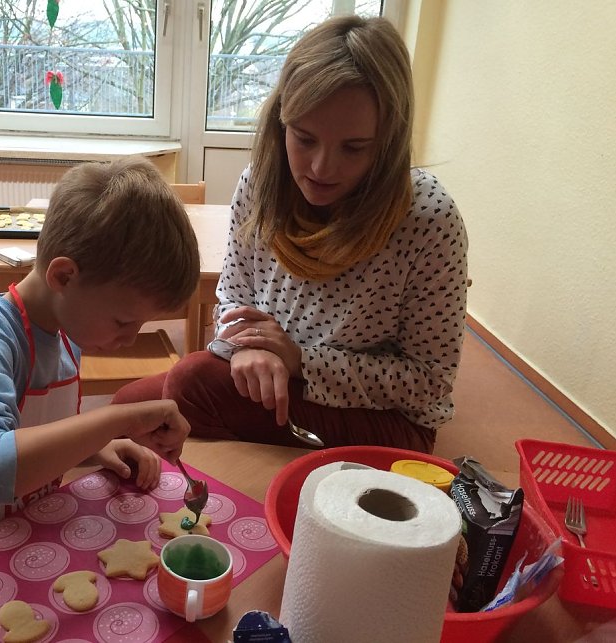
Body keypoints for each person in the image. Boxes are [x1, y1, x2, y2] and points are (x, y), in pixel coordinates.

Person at [113, 15, 468, 454]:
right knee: (123, 411)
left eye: (354, 148)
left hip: (383, 418)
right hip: (271, 378)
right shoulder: (259, 183)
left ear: (389, 140)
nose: (321, 168)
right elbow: (234, 294)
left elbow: (429, 381)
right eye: (304, 138)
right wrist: (244, 349)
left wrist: (299, 362)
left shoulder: (429, 218)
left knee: (191, 385)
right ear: (281, 122)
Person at [0, 157, 200, 582]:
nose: (130, 339)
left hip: (11, 545)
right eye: (124, 321)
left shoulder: (65, 330)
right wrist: (113, 420)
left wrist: (95, 447)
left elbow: (32, 431)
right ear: (65, 275)